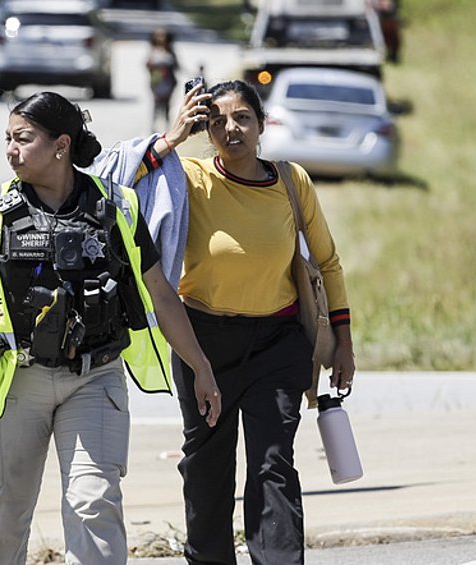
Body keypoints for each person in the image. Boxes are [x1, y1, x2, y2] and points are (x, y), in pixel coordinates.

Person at [0, 91, 221, 565]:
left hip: (94, 378)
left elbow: (162, 297)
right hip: (16, 381)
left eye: (22, 139)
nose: (10, 149)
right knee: (5, 513)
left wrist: (201, 367)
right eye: (7, 138)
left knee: (94, 503)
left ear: (60, 145)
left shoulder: (118, 207)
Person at [144, 80, 358, 564]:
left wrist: (343, 342)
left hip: (277, 344)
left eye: (242, 117)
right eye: (216, 120)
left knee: (273, 461)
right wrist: (174, 135)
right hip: (203, 347)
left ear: (262, 125)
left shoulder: (290, 181)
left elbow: (326, 263)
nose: (230, 128)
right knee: (206, 466)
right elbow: (119, 184)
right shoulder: (189, 177)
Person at [145, 27, 179, 132]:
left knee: (167, 107)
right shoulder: (153, 50)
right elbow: (147, 65)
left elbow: (177, 66)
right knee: (156, 105)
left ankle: (167, 128)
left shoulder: (170, 51)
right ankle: (153, 127)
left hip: (168, 83)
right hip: (157, 83)